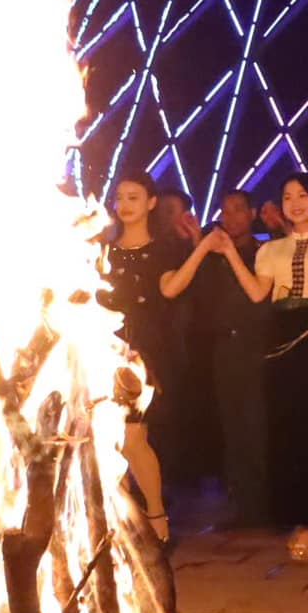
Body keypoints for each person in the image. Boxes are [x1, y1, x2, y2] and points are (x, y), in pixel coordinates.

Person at [210, 171, 308, 562]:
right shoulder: (269, 251)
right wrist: (229, 253)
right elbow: (259, 293)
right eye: (288, 196)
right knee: (286, 428)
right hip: (279, 338)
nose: (296, 203)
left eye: (303, 195)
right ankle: (295, 514)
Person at [160, 189, 270, 527]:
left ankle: (265, 504)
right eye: (225, 211)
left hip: (256, 348)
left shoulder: (264, 252)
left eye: (239, 210)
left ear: (252, 214)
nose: (231, 217)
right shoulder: (212, 255)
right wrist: (199, 245)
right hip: (222, 350)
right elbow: (199, 296)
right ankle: (242, 505)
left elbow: (260, 300)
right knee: (233, 428)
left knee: (258, 426)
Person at [96, 173, 188, 535]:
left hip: (146, 352)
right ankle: (123, 524)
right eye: (120, 197)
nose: (124, 205)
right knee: (109, 440)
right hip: (106, 350)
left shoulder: (164, 250)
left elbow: (170, 289)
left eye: (133, 197)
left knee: (135, 440)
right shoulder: (104, 251)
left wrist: (200, 250)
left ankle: (157, 519)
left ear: (151, 202)